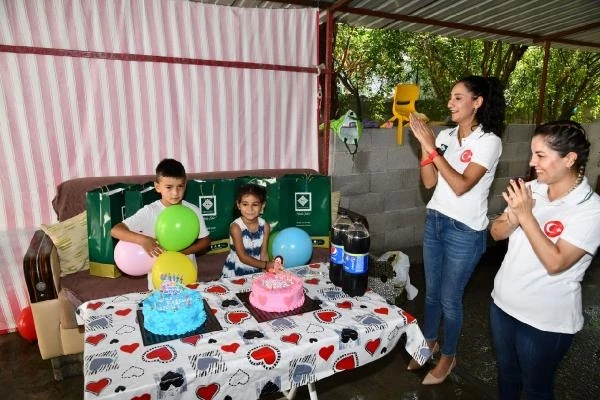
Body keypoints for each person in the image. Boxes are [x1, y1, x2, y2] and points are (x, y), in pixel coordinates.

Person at [489, 121, 600, 400]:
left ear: (569, 158)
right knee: (507, 375)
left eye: (540, 155)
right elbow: (496, 232)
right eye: (532, 153)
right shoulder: (531, 188)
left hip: (543, 322)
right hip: (502, 305)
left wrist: (525, 217)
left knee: (537, 388)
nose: (531, 162)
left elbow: (556, 262)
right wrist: (514, 218)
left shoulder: (590, 209)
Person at [407, 75, 506, 384]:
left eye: (458, 97)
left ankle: (449, 356)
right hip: (435, 219)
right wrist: (426, 147)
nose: (450, 103)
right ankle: (429, 341)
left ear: (477, 103)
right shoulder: (447, 135)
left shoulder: (489, 141)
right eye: (451, 97)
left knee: (450, 298)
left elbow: (462, 185)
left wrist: (431, 148)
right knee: (432, 292)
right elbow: (429, 182)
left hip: (464, 230)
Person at [111, 158, 211, 289]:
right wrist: (143, 240)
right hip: (159, 283)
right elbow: (115, 230)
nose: (175, 193)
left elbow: (206, 241)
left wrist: (182, 252)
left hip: (187, 277)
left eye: (180, 186)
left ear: (185, 185)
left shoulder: (192, 210)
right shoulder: (150, 211)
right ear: (157, 187)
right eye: (169, 187)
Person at [222, 183, 284, 277]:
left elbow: (263, 253)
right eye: (245, 204)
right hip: (235, 273)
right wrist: (266, 265)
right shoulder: (236, 227)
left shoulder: (265, 225)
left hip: (256, 271)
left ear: (262, 206)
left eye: (255, 204)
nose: (250, 209)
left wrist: (267, 272)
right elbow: (243, 257)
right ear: (238, 205)